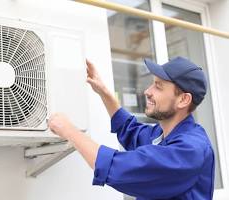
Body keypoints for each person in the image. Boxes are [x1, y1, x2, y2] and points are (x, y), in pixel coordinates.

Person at [48, 57, 215, 200]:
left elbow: (115, 167)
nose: (147, 91)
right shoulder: (161, 135)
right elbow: (129, 129)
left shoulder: (189, 150)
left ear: (183, 100)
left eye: (158, 86)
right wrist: (104, 92)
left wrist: (69, 130)